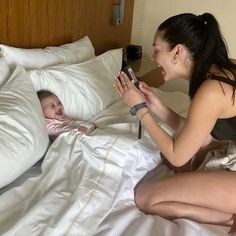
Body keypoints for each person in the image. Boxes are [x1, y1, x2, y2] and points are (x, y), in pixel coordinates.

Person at [114, 13, 236, 233]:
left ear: (178, 51)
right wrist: (157, 107)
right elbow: (200, 136)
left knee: (145, 197)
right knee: (180, 163)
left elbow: (177, 154)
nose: (153, 56)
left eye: (157, 48)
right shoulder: (219, 74)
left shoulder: (211, 91)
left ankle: (229, 219)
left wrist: (140, 110)